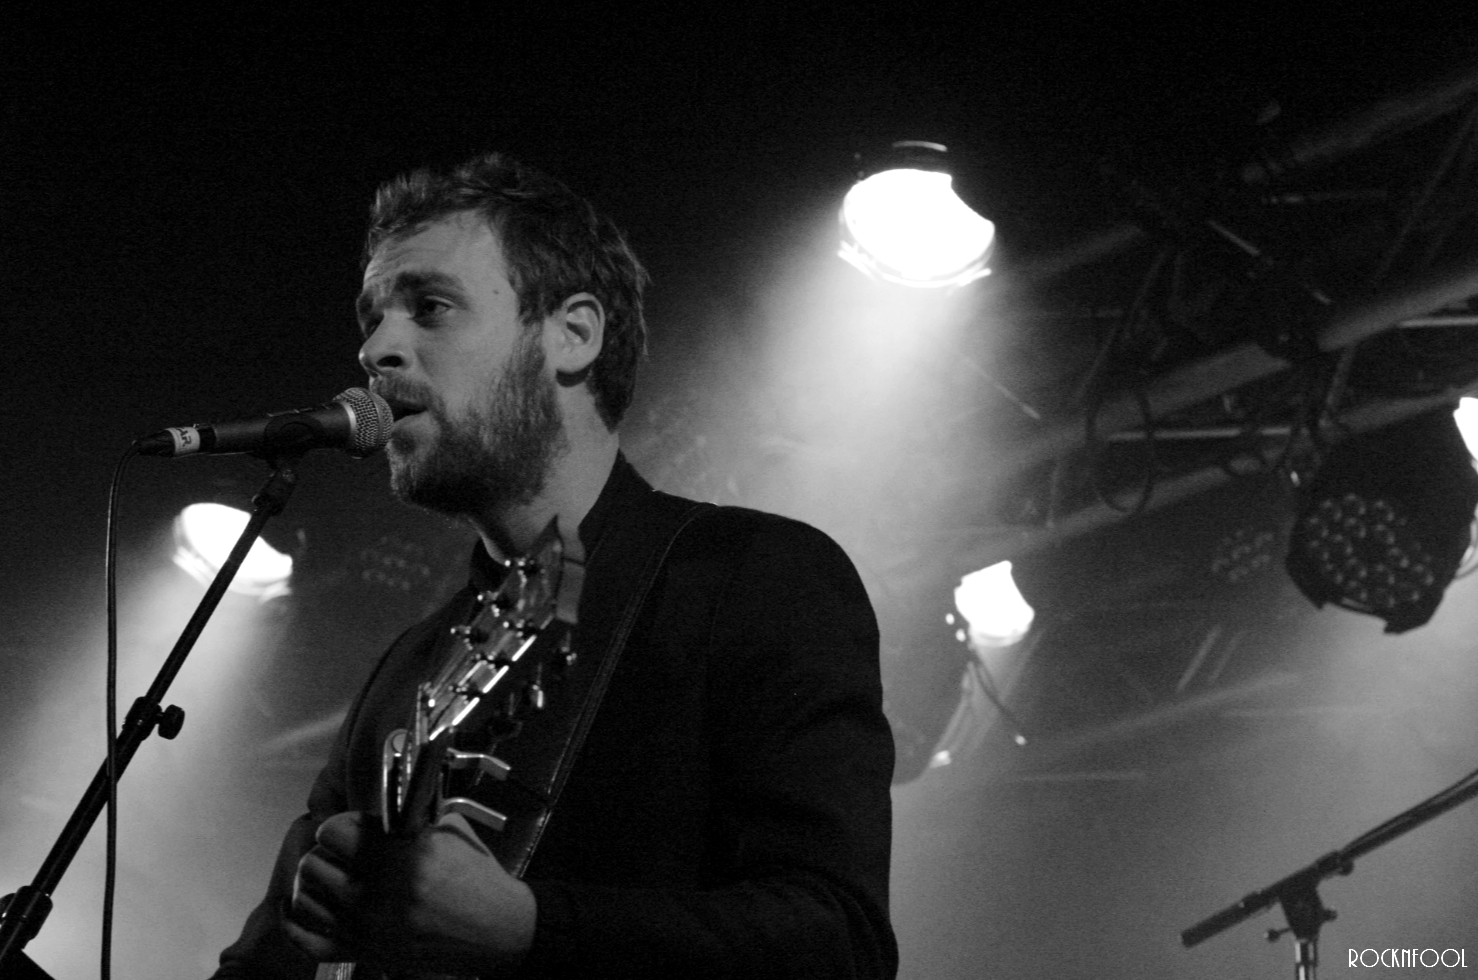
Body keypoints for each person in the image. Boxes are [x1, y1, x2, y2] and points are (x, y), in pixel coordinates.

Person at [211, 152, 898, 979]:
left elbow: (840, 942)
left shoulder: (752, 577)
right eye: (374, 318)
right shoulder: (408, 668)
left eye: (430, 307)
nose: (377, 349)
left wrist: (533, 928)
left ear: (573, 335)